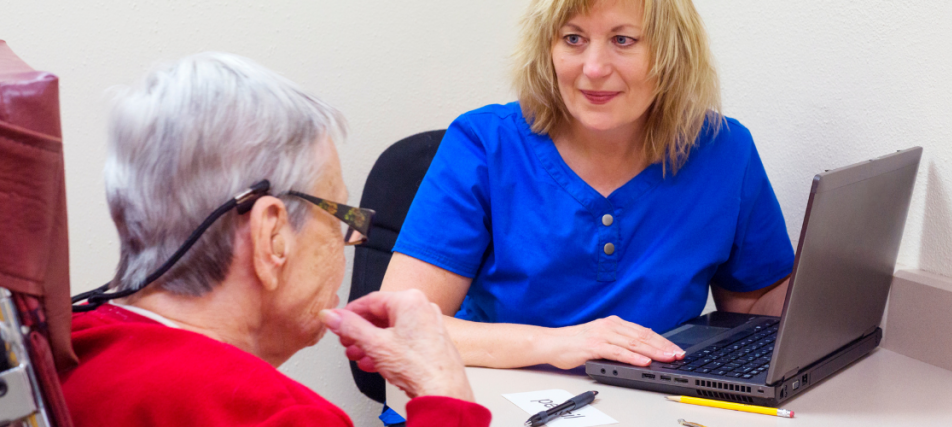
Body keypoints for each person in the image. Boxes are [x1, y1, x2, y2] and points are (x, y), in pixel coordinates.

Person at [60, 53, 491, 427]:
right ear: (273, 236)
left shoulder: (71, 345)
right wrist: (446, 395)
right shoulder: (279, 417)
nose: (347, 243)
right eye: (339, 216)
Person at [381, 0, 795, 370]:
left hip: (651, 408)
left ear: (672, 53)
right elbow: (400, 325)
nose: (594, 69)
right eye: (573, 38)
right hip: (499, 400)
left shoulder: (723, 150)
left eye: (623, 39)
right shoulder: (485, 144)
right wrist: (558, 343)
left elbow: (758, 308)